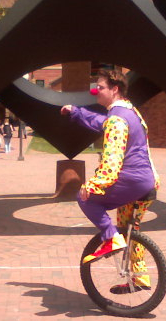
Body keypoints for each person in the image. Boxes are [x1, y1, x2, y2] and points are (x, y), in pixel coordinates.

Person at [60, 69, 160, 293]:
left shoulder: (117, 119)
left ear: (114, 89)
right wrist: (76, 112)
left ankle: (111, 238)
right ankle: (140, 277)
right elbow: (101, 122)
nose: (96, 91)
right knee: (129, 229)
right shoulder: (129, 111)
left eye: (100, 87)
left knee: (86, 199)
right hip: (147, 182)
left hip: (131, 180)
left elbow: (112, 160)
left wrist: (93, 185)